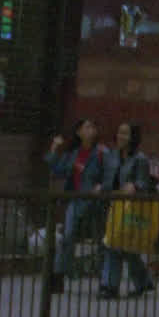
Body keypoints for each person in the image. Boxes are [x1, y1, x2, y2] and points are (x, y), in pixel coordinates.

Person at [49, 117, 109, 293]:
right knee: (67, 237)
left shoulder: (102, 152)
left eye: (93, 127)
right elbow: (57, 170)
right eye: (87, 127)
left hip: (96, 202)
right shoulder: (72, 154)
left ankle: (105, 280)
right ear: (79, 132)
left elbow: (111, 173)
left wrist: (101, 186)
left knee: (102, 240)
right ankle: (58, 275)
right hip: (76, 200)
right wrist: (54, 148)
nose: (91, 130)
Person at [99, 121, 157, 299]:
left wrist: (134, 186)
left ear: (133, 137)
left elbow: (143, 182)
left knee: (128, 248)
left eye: (125, 133)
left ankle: (137, 282)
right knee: (113, 244)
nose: (121, 137)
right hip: (113, 205)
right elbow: (107, 178)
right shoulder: (111, 156)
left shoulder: (140, 159)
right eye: (119, 132)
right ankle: (110, 286)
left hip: (131, 208)